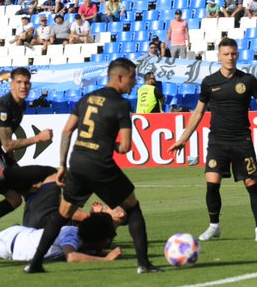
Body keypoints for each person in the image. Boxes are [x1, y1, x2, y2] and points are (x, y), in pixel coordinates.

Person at [24, 58, 159, 274]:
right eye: (133, 77)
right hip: (99, 164)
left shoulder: (86, 99)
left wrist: (61, 165)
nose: (134, 82)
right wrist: (108, 142)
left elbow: (67, 130)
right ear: (120, 77)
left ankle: (35, 263)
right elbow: (124, 147)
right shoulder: (121, 105)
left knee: (61, 215)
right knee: (133, 208)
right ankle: (143, 264)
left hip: (77, 162)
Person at [169, 38, 257, 243]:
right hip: (217, 141)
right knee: (212, 184)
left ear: (237, 54)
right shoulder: (209, 82)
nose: (230, 57)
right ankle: (214, 227)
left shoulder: (248, 80)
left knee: (251, 183)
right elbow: (198, 112)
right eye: (226, 54)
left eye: (233, 54)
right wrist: (183, 139)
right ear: (219, 56)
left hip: (241, 140)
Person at [0, 68, 55, 232]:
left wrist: (13, 163)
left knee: (18, 197)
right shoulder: (4, 107)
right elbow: (7, 144)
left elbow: (6, 147)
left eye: (27, 82)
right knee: (39, 181)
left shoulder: (20, 106)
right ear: (11, 84)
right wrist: (38, 138)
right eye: (19, 82)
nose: (23, 86)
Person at [0, 205, 122, 264]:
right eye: (106, 239)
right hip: (10, 242)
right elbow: (72, 256)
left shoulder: (83, 238)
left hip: (24, 235)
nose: (108, 242)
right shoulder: (71, 234)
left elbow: (86, 251)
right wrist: (105, 259)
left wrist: (106, 253)